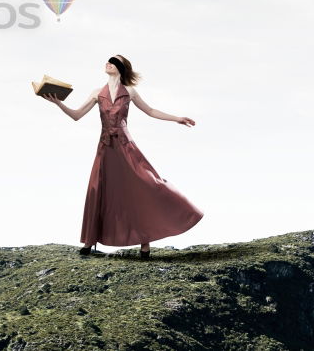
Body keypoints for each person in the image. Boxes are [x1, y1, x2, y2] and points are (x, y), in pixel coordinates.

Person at [41, 55, 203, 259]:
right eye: (107, 61)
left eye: (112, 62)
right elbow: (76, 115)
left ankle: (146, 243)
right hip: (105, 148)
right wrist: (58, 104)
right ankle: (89, 242)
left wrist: (177, 118)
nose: (107, 64)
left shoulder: (130, 92)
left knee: (143, 186)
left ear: (120, 68)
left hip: (126, 148)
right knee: (98, 190)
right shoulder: (96, 93)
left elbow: (150, 111)